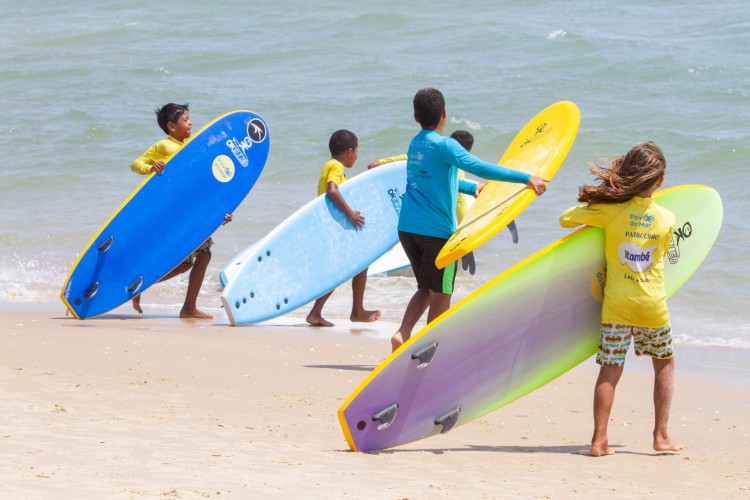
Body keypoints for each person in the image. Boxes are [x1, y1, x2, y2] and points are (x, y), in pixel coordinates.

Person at [391, 87, 548, 351]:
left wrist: (471, 188)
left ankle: (402, 333)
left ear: (415, 117)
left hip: (407, 228)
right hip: (437, 234)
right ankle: (429, 351)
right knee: (441, 293)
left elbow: (436, 181)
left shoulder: (416, 143)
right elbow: (479, 166)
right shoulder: (445, 145)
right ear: (445, 114)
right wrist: (526, 177)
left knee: (425, 288)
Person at [559, 141, 682, 457]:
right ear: (659, 181)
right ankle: (661, 436)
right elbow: (672, 255)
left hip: (616, 304)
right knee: (664, 364)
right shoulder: (667, 218)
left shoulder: (609, 212)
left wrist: (598, 206)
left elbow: (566, 219)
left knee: (611, 368)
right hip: (652, 305)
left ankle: (599, 441)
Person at [130, 103, 231, 319]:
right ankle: (187, 307)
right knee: (203, 255)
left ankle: (142, 286)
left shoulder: (195, 147)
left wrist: (220, 212)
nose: (190, 122)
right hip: (177, 213)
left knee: (187, 263)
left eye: (189, 118)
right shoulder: (164, 146)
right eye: (185, 119)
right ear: (171, 126)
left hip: (192, 211)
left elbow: (204, 185)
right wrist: (151, 167)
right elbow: (135, 164)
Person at [306, 129, 382, 327]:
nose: (357, 155)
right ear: (350, 151)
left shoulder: (330, 165)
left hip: (328, 227)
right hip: (332, 229)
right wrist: (350, 213)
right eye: (357, 151)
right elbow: (332, 191)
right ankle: (351, 311)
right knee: (346, 267)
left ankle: (343, 311)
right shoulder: (337, 166)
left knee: (353, 265)